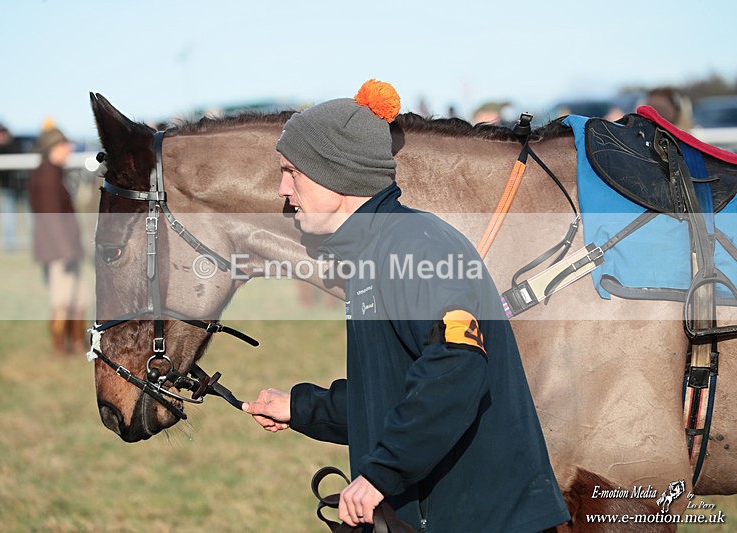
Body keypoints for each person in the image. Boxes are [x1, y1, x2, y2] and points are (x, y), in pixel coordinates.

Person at [242, 80, 570, 532]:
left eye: (291, 172)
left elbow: (455, 370)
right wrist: (300, 407)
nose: (282, 189)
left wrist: (380, 474)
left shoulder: (417, 247)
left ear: (336, 174)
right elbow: (393, 396)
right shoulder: (373, 253)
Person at [27, 120, 87, 355]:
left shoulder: (51, 174)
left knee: (77, 298)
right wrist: (67, 251)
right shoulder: (48, 178)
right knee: (63, 299)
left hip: (63, 248)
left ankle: (75, 343)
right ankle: (61, 348)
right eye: (65, 145)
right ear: (54, 147)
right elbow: (52, 221)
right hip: (60, 251)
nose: (69, 149)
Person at [0, 123, 21, 249]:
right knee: (7, 215)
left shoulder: (15, 144)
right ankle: (9, 245)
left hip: (21, 186)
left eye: (3, 133)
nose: (1, 136)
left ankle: (35, 241)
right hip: (6, 187)